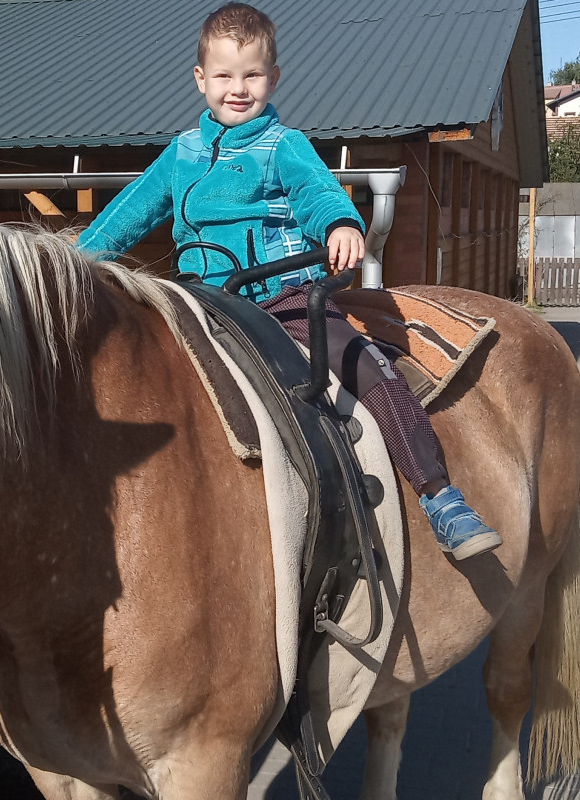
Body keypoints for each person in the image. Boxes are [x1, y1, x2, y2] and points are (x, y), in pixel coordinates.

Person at [77, 3, 500, 560]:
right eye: (224, 75)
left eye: (252, 74)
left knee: (362, 365)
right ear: (200, 79)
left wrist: (342, 222)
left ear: (273, 79)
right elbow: (125, 217)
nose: (238, 88)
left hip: (282, 296)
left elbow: (317, 192)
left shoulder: (284, 145)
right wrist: (71, 261)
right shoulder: (179, 154)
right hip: (199, 302)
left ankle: (439, 495)